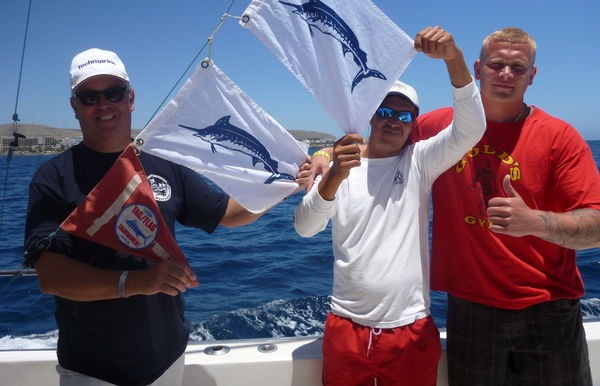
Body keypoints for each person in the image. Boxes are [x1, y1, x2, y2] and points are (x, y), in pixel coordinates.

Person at [312, 27, 600, 385]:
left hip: (548, 305)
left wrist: (535, 223)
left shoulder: (560, 137)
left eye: (517, 67)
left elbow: (596, 227)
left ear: (532, 75)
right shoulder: (437, 126)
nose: (505, 74)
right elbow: (380, 141)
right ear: (477, 69)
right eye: (496, 65)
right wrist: (324, 154)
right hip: (470, 307)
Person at [23, 48, 312, 386]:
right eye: (89, 96)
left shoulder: (164, 163)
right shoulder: (54, 177)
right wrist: (140, 282)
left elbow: (228, 214)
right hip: (93, 370)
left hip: (168, 359)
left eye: (113, 93)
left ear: (130, 99)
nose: (103, 105)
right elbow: (51, 276)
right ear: (75, 106)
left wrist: (288, 183)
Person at [294, 26, 486, 386]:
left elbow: (471, 127)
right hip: (347, 326)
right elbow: (305, 227)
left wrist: (454, 59)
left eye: (404, 116)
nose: (393, 121)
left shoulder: (420, 161)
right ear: (370, 115)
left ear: (413, 124)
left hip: (410, 327)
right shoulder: (340, 165)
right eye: (384, 111)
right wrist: (334, 175)